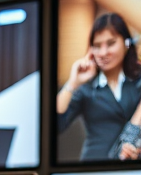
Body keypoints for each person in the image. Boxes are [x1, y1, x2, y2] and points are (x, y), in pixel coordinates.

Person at [57, 13, 141, 161]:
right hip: (94, 166)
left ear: (126, 44)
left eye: (110, 43)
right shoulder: (85, 86)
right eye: (96, 46)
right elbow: (55, 125)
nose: (103, 53)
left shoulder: (138, 79)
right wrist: (72, 83)